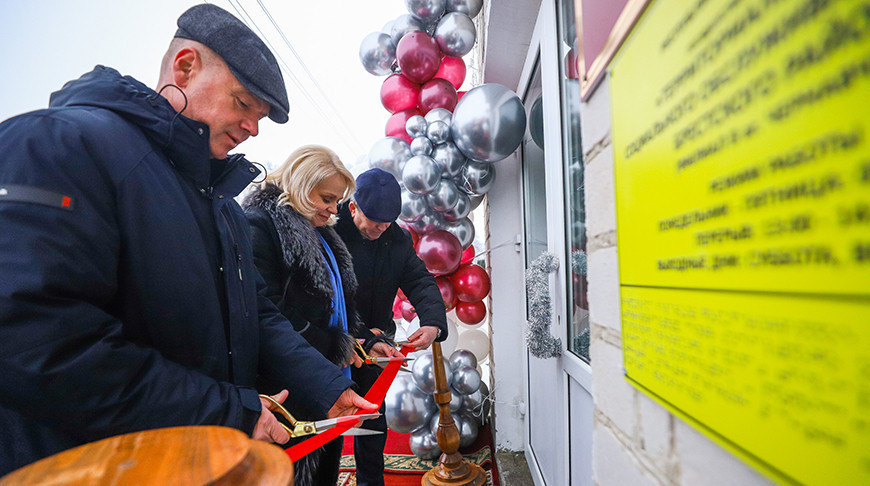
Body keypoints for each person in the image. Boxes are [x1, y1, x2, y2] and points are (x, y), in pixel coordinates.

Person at [0, 4, 373, 476]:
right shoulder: (59, 144)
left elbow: (256, 316)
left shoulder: (220, 208)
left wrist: (327, 385)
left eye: (260, 117)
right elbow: (33, 341)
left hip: (194, 462)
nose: (253, 128)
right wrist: (224, 411)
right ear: (185, 66)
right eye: (243, 104)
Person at [242, 145, 401, 486]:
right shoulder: (260, 226)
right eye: (327, 198)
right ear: (301, 183)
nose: (333, 209)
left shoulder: (318, 228)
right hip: (288, 389)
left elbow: (336, 307)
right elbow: (266, 313)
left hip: (326, 377)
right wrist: (335, 345)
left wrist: (364, 343)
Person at [335, 168, 449, 486]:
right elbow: (322, 299)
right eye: (375, 222)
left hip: (377, 343)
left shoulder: (395, 237)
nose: (382, 228)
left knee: (372, 419)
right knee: (329, 424)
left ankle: (371, 482)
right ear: (354, 207)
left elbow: (419, 279)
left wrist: (433, 324)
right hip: (334, 342)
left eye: (388, 222)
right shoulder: (328, 230)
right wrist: (358, 336)